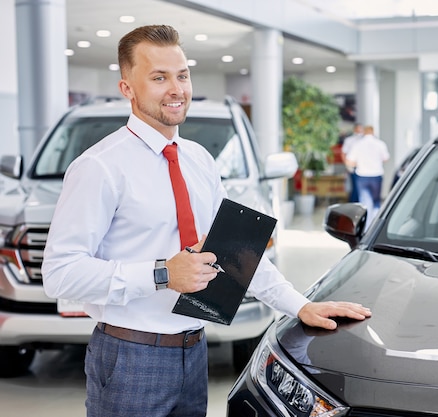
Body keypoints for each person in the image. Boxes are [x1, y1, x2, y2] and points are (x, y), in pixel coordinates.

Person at [41, 25, 370, 417]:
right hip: (129, 358)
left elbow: (235, 254)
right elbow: (59, 274)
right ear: (127, 88)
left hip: (194, 351)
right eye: (159, 77)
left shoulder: (198, 160)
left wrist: (299, 306)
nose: (176, 89)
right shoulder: (99, 166)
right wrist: (162, 274)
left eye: (182, 75)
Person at [345, 125, 389, 229]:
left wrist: (359, 164)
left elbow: (349, 161)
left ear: (364, 132)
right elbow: (386, 158)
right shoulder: (380, 144)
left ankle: (366, 227)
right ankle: (376, 226)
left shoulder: (358, 144)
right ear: (373, 132)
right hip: (376, 175)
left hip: (362, 175)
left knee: (365, 202)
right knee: (376, 201)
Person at [341, 123, 363, 202]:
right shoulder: (349, 140)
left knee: (361, 187)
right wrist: (347, 165)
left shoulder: (364, 140)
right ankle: (354, 202)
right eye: (358, 129)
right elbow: (343, 153)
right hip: (353, 166)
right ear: (354, 129)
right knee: (355, 186)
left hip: (364, 167)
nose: (359, 131)